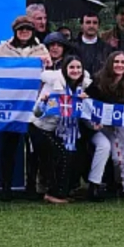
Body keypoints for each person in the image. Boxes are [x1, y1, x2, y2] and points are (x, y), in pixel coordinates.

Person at [0, 16, 52, 199]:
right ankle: (6, 186)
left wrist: (47, 62)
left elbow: (49, 72)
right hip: (12, 105)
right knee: (9, 147)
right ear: (15, 31)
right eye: (21, 29)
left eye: (28, 29)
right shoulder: (3, 49)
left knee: (33, 148)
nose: (24, 32)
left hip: (34, 105)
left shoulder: (41, 49)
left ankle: (31, 186)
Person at [31, 57, 91, 204]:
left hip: (62, 130)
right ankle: (52, 193)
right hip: (41, 127)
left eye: (78, 67)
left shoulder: (81, 87)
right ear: (65, 69)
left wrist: (85, 101)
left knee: (71, 155)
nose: (75, 71)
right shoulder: (52, 85)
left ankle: (63, 191)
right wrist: (44, 102)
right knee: (60, 154)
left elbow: (83, 111)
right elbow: (36, 112)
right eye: (72, 67)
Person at [84, 51, 124, 198]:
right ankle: (94, 186)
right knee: (104, 146)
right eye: (116, 62)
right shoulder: (96, 83)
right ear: (110, 63)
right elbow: (85, 106)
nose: (119, 65)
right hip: (95, 128)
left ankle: (117, 185)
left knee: (118, 157)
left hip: (118, 130)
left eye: (122, 62)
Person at [73, 11, 108, 77]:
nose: (91, 26)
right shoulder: (72, 47)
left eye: (95, 23)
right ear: (82, 25)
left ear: (98, 26)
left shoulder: (106, 48)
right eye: (88, 22)